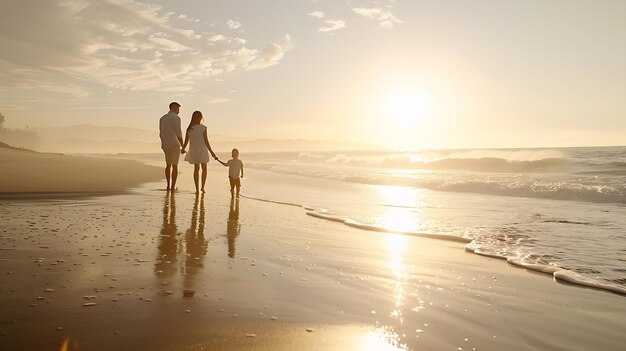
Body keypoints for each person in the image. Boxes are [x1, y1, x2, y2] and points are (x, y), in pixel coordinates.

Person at [181, 111, 217, 193]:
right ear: (200, 118)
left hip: (194, 151)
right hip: (202, 150)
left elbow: (186, 142)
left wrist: (183, 149)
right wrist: (212, 152)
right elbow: (206, 141)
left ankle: (197, 189)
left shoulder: (189, 129)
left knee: (196, 169)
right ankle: (203, 187)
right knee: (204, 169)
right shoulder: (203, 128)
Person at [159, 102, 183, 191]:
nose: (179, 111)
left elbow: (161, 132)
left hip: (165, 144)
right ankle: (173, 187)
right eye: (178, 109)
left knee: (168, 165)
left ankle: (168, 185)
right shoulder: (176, 118)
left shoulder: (162, 118)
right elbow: (178, 133)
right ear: (173, 108)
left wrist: (163, 142)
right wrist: (183, 145)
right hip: (174, 144)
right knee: (175, 165)